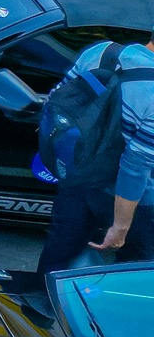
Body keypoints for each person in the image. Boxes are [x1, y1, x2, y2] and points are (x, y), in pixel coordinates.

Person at [36, 32, 154, 274]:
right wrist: (120, 227)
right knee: (134, 273)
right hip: (134, 201)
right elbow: (135, 166)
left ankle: (38, 306)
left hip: (77, 177)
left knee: (57, 258)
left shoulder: (101, 51)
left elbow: (57, 101)